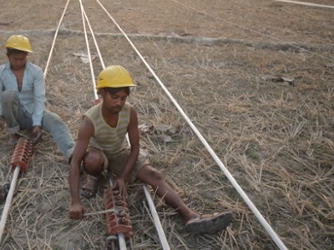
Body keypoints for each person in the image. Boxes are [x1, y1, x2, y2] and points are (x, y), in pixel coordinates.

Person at [68, 65, 232, 234]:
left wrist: (123, 177)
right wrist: (75, 201)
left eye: (123, 98)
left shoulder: (129, 112)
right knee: (92, 161)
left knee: (154, 175)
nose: (119, 103)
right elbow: (75, 161)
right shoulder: (90, 120)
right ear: (101, 93)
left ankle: (191, 216)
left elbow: (135, 147)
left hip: (118, 153)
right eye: (114, 97)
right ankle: (94, 177)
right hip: (98, 154)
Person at [0, 34, 75, 162]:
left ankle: (72, 154)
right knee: (8, 95)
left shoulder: (36, 71)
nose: (19, 62)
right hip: (15, 115)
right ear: (8, 56)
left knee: (55, 120)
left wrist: (37, 123)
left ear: (26, 56)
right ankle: (14, 133)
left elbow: (39, 98)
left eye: (22, 59)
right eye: (15, 59)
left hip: (33, 112)